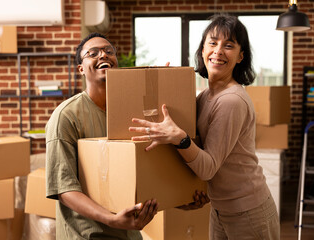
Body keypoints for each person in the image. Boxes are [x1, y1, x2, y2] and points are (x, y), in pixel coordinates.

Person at [129, 14, 280, 240]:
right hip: (221, 209)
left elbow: (207, 167)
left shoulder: (231, 100)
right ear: (202, 50)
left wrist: (180, 139)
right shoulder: (206, 96)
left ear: (240, 56)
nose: (218, 51)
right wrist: (164, 84)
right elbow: (182, 127)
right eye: (213, 43)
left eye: (228, 45)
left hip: (248, 211)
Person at [45, 32, 159, 240]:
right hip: (88, 235)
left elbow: (145, 173)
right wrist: (111, 219)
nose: (103, 55)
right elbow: (64, 189)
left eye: (109, 51)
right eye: (93, 53)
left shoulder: (131, 115)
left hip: (129, 234)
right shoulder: (66, 116)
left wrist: (182, 200)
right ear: (81, 69)